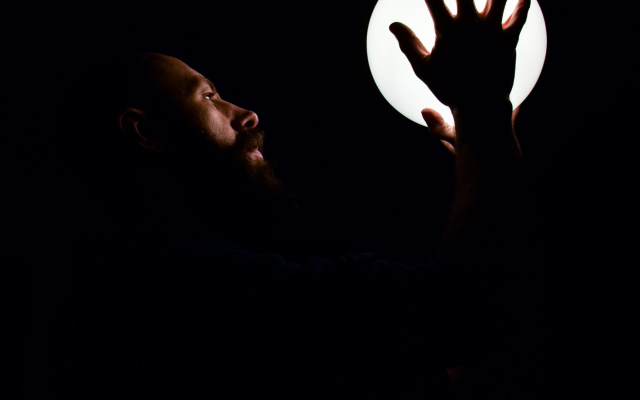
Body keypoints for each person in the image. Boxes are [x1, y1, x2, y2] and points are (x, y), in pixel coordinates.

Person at [49, 1, 531, 399]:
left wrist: (485, 154)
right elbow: (466, 312)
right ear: (145, 132)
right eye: (209, 96)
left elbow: (459, 354)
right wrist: (481, 109)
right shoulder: (181, 293)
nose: (247, 115)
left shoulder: (143, 289)